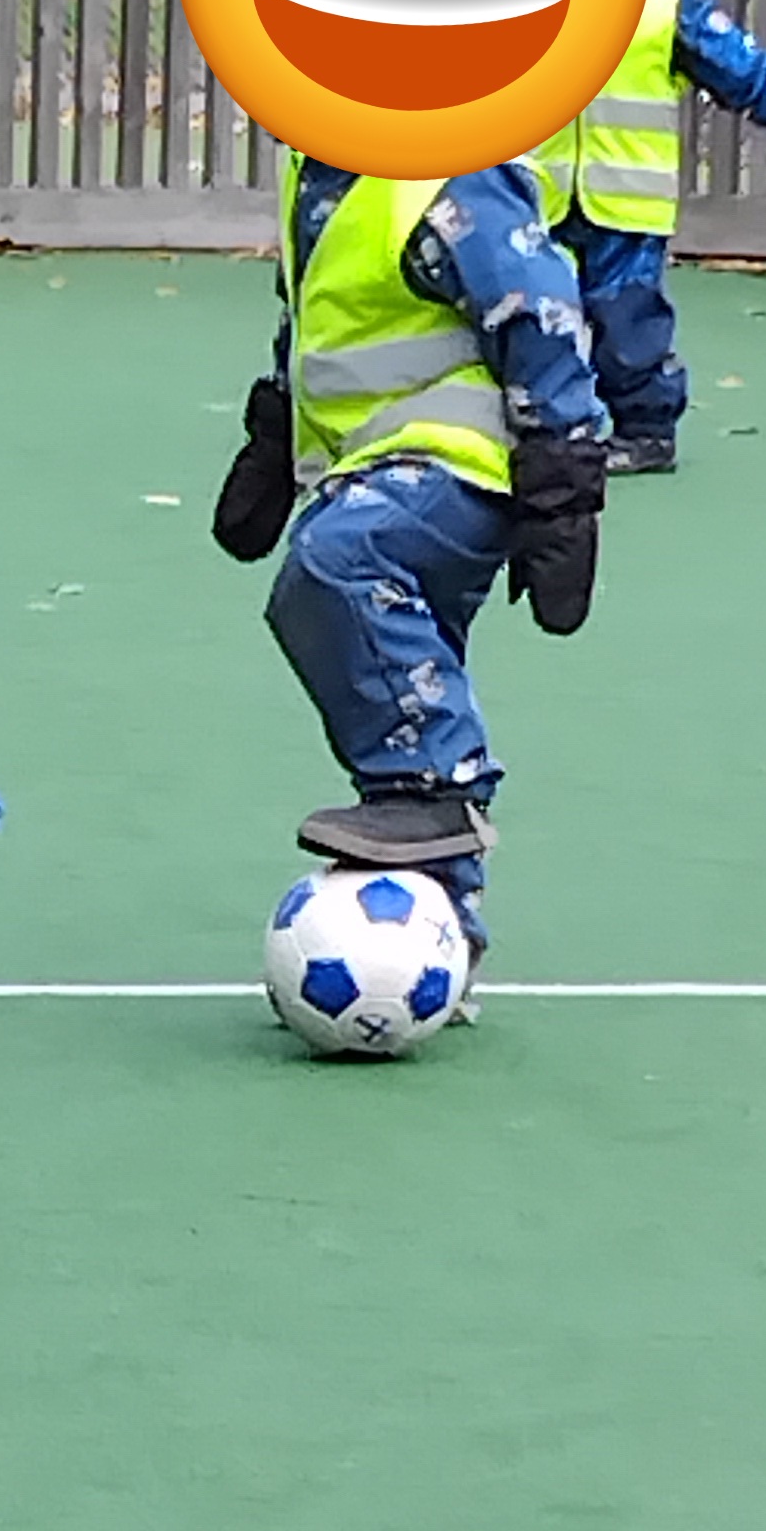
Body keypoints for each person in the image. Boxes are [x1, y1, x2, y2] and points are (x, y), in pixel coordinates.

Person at [211, 154, 610, 952]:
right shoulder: (316, 175)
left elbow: (538, 309)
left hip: (462, 461)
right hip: (368, 466)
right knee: (408, 659)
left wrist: (563, 479)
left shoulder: (454, 170)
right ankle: (444, 920)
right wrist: (274, 431)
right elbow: (320, 323)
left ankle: (431, 786)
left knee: (337, 562)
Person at [536, 0, 766, 472]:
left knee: (628, 322)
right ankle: (544, 431)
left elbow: (727, 56)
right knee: (533, 319)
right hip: (539, 195)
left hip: (626, 200)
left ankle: (645, 432)